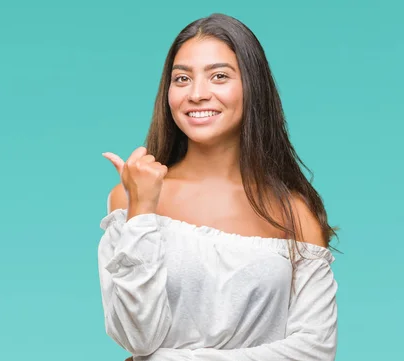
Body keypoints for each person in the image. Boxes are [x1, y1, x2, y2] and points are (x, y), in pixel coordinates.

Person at [97, 13, 339, 361]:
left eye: (219, 76)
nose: (197, 94)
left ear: (252, 86)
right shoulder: (131, 199)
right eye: (182, 79)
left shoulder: (295, 213)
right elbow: (138, 338)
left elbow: (314, 352)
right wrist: (142, 213)